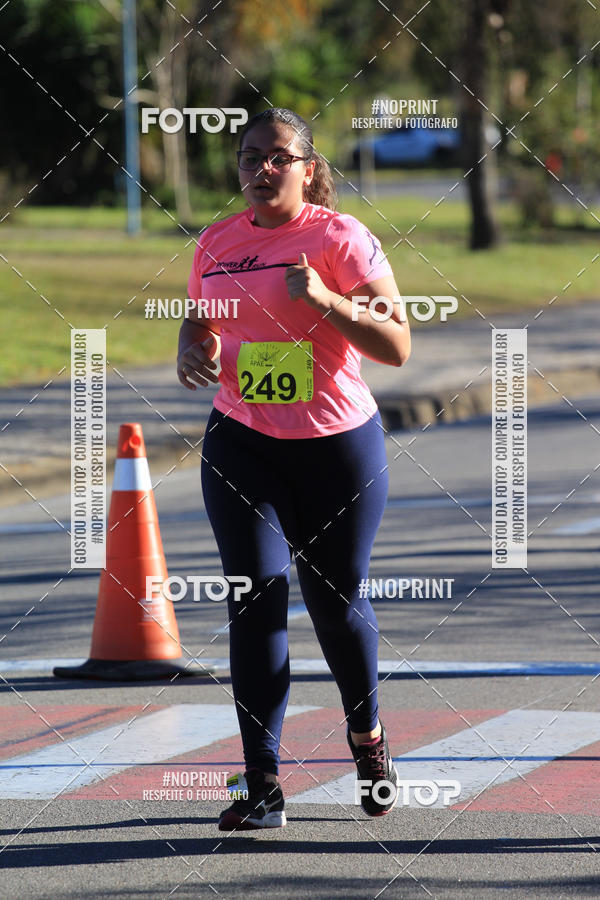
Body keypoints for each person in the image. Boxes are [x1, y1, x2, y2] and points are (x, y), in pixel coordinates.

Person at [177, 108, 411, 831]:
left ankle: (367, 742)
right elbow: (201, 317)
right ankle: (263, 784)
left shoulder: (342, 238)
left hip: (336, 448)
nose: (261, 169)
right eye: (251, 156)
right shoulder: (217, 243)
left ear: (308, 169)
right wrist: (193, 346)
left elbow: (397, 344)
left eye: (279, 156)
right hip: (243, 442)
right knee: (255, 601)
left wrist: (326, 300)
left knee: (335, 607)